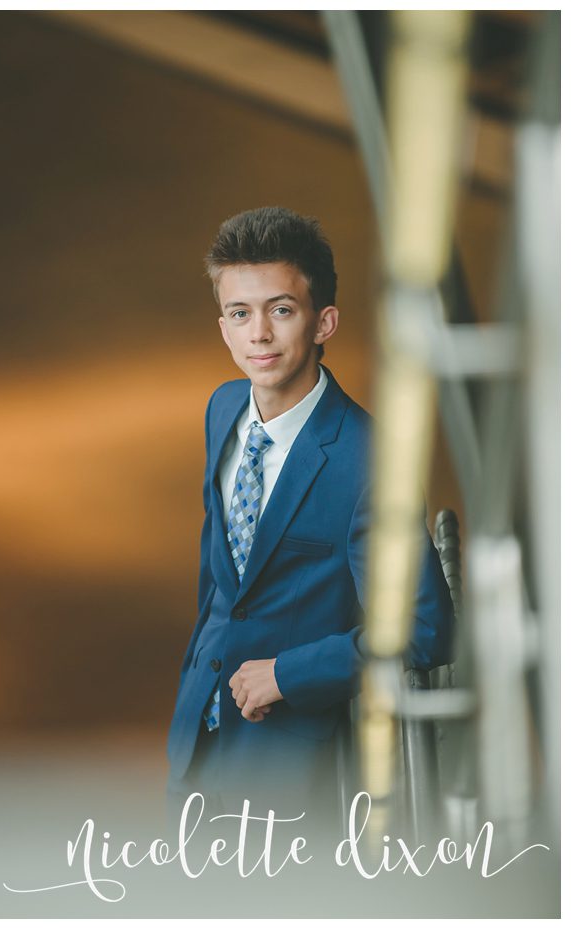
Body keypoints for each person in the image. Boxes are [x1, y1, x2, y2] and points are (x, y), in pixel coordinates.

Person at [164, 207, 453, 827]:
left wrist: (290, 673)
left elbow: (426, 628)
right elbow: (223, 577)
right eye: (240, 314)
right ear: (223, 327)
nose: (259, 334)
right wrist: (198, 675)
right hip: (194, 748)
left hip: (291, 777)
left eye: (282, 309)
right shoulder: (223, 410)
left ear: (324, 321)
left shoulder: (368, 459)